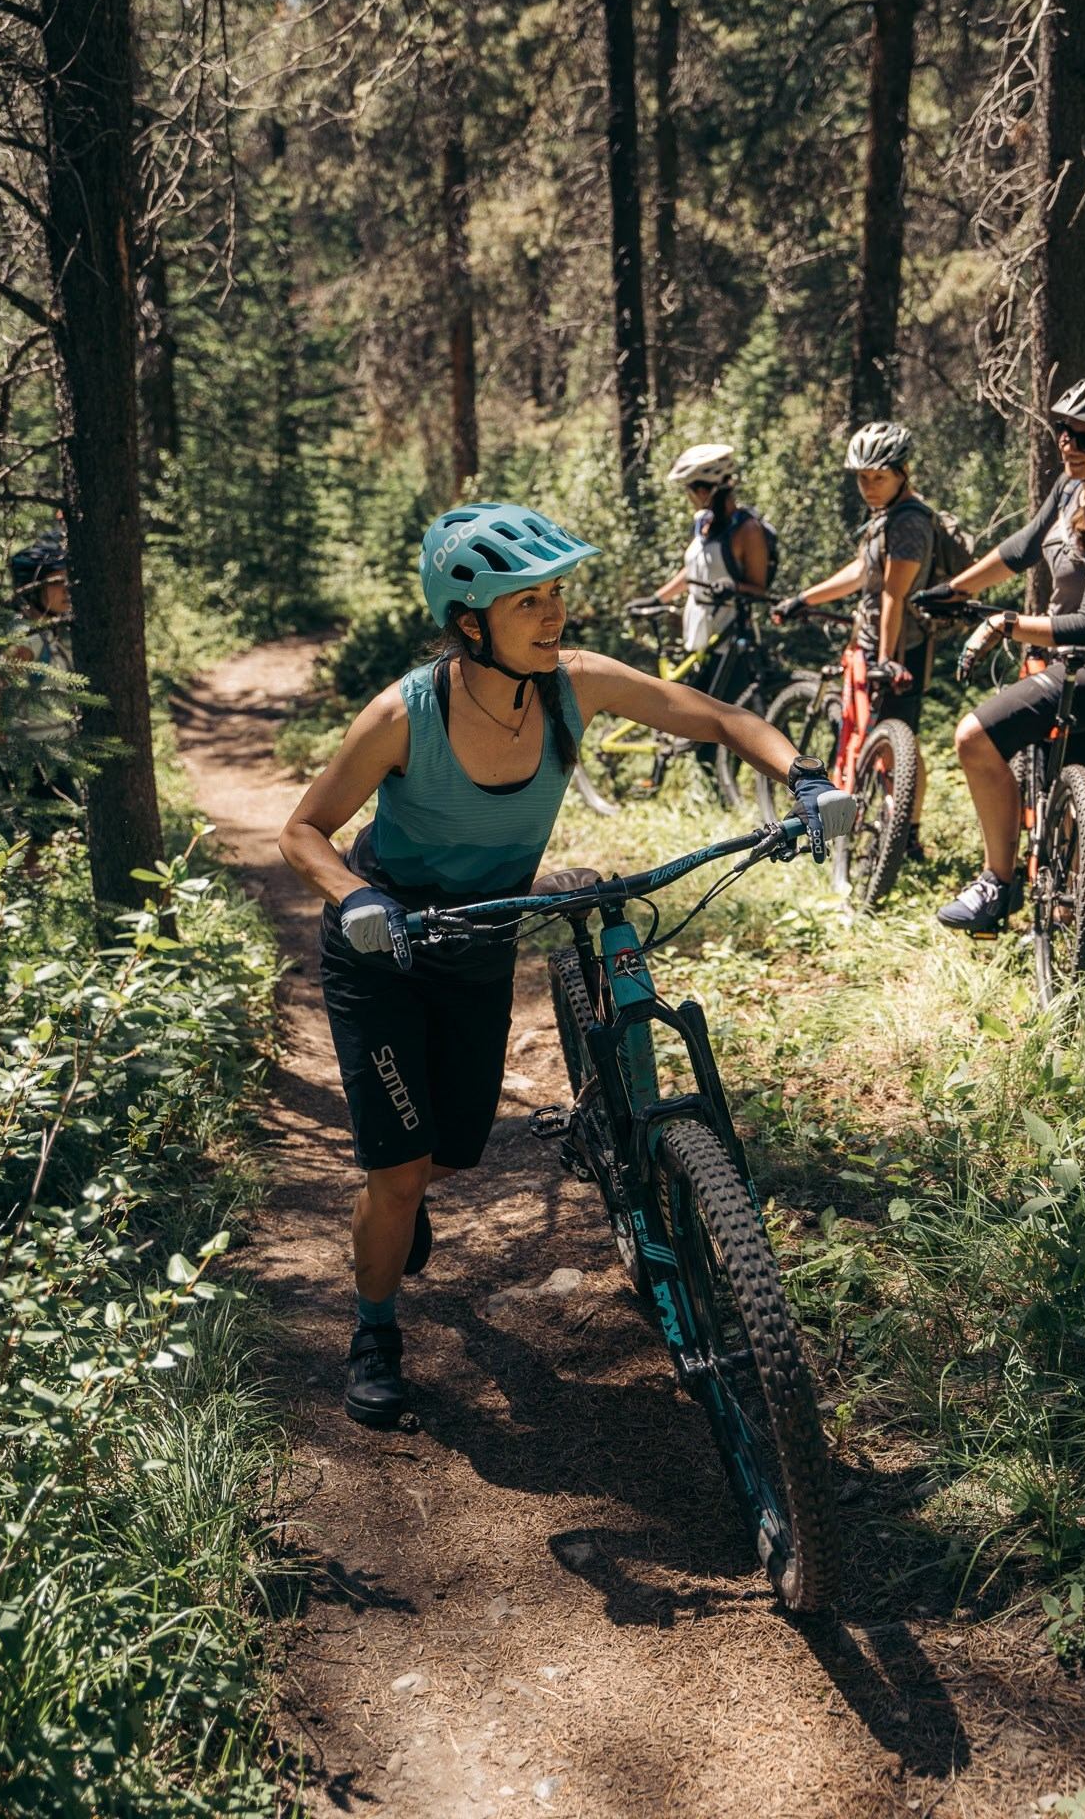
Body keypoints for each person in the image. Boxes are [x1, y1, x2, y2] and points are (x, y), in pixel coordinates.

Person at [278, 501, 841, 1429]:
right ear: (470, 623)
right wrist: (357, 899)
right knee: (400, 1171)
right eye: (528, 602)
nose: (554, 616)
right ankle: (374, 1328)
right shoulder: (404, 714)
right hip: (385, 947)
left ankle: (408, 1194)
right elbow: (303, 832)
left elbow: (716, 717)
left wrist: (806, 775)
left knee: (452, 1154)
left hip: (481, 938)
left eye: (555, 595)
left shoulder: (575, 685)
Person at [925, 373, 1085, 935]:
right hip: (1072, 662)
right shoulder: (1071, 486)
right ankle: (1065, 911)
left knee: (973, 739)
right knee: (1074, 786)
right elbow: (1023, 548)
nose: (1068, 445)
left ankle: (996, 883)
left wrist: (1006, 624)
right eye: (1063, 431)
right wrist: (959, 589)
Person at [771, 422, 935, 858]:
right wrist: (804, 598)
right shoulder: (885, 518)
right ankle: (888, 830)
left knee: (899, 745)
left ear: (903, 472)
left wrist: (883, 659)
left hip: (900, 650)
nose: (868, 486)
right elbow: (861, 573)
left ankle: (905, 837)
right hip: (875, 644)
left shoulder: (910, 523)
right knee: (879, 738)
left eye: (878, 477)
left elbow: (893, 595)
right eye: (862, 477)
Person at [651, 442, 772, 664]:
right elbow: (694, 573)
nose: (688, 497)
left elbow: (759, 590)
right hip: (700, 635)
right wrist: (656, 598)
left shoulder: (747, 530)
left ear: (703, 492)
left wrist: (733, 587)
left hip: (731, 643)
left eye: (688, 490)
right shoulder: (703, 524)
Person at [0, 533, 80, 846]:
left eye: (66, 580)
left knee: (54, 838)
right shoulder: (27, 639)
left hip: (50, 754)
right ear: (32, 588)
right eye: (55, 582)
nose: (66, 589)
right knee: (40, 842)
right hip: (32, 759)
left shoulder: (46, 632)